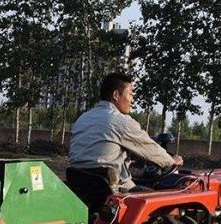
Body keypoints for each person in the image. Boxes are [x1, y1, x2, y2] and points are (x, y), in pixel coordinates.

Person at [67, 73, 183, 204]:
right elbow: (150, 148)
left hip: (81, 189)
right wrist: (171, 160)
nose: (132, 100)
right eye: (131, 94)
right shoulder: (121, 122)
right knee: (165, 201)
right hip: (112, 191)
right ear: (116, 95)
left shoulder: (83, 118)